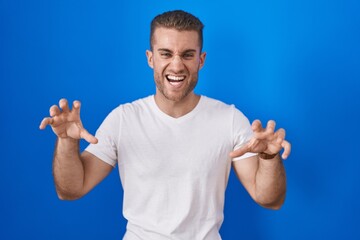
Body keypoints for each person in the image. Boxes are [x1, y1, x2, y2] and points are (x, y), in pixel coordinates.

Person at [39, 10, 291, 240]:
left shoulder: (230, 119)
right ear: (150, 58)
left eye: (187, 55)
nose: (177, 65)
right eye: (166, 53)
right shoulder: (124, 119)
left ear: (201, 60)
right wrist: (66, 141)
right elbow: (71, 190)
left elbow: (269, 199)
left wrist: (269, 158)